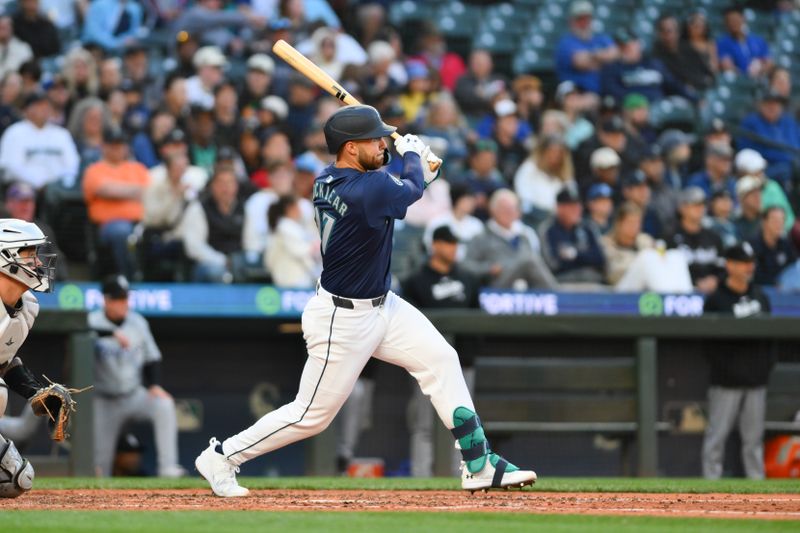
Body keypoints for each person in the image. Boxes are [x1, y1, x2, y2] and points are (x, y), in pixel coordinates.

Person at [194, 104, 536, 496]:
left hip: (382, 304)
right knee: (311, 416)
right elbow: (404, 194)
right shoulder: (366, 189)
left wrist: (416, 167)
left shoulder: (328, 178)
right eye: (373, 138)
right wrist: (414, 161)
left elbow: (399, 186)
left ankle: (478, 462)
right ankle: (223, 456)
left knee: (442, 359)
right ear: (350, 149)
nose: (380, 142)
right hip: (343, 318)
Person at [401, 225, 480, 477]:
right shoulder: (415, 281)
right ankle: (420, 478)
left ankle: (461, 477)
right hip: (427, 366)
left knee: (462, 424)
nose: (452, 248)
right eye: (448, 243)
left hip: (461, 364)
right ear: (435, 245)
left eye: (455, 243)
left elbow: (479, 320)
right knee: (424, 424)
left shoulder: (468, 278)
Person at [89, 274, 184, 478]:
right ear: (106, 300)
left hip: (133, 395)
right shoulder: (92, 320)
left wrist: (154, 385)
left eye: (125, 298)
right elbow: (81, 332)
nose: (124, 303)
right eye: (118, 299)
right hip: (104, 399)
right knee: (99, 466)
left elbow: (152, 357)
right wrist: (110, 334)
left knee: (163, 405)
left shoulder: (137, 322)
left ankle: (168, 468)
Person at [702, 242, 774, 480]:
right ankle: (710, 485)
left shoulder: (760, 296)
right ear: (730, 265)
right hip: (726, 381)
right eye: (743, 262)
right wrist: (728, 370)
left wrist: (764, 369)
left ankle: (757, 485)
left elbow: (772, 338)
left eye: (751, 262)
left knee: (753, 440)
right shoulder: (716, 299)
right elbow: (708, 345)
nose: (748, 267)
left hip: (755, 380)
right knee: (717, 436)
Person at [0, 219, 61, 497]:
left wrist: (35, 392)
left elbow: (4, 361)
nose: (37, 262)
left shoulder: (27, 309)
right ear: (5, 255)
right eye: (29, 253)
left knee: (16, 479)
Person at [82, 128, 150, 279]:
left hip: (142, 223)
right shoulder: (94, 170)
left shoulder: (138, 168)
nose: (117, 148)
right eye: (113, 144)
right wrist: (134, 190)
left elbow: (149, 191)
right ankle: (129, 278)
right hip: (108, 226)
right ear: (104, 146)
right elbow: (105, 189)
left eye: (120, 144)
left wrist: (118, 189)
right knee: (121, 231)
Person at [463, 188, 558, 290]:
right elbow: (465, 266)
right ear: (492, 210)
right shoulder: (481, 237)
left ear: (518, 212)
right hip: (496, 286)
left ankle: (556, 294)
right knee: (529, 260)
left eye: (512, 208)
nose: (508, 212)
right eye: (504, 208)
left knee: (531, 261)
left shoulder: (524, 236)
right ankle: (559, 296)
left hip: (525, 287)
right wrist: (489, 268)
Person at [0, 91, 79, 190]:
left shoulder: (62, 134)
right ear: (26, 109)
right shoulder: (14, 133)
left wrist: (59, 184)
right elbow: (11, 167)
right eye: (39, 105)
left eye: (47, 105)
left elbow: (72, 165)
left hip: (58, 190)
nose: (44, 109)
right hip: (25, 188)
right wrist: (38, 183)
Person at [182, 165, 246, 283]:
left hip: (239, 262)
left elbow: (251, 242)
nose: (225, 188)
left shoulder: (245, 208)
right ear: (213, 186)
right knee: (216, 272)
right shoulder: (199, 208)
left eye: (230, 183)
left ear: (236, 186)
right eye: (221, 183)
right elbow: (193, 247)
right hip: (208, 263)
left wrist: (242, 260)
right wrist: (223, 261)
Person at [540, 187, 606, 284]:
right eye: (570, 206)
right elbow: (553, 265)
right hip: (563, 283)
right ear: (559, 207)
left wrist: (575, 255)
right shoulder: (548, 230)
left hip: (592, 281)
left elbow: (600, 259)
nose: (576, 210)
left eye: (578, 205)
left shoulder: (588, 228)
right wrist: (585, 257)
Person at [667, 186, 724, 294]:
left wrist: (715, 280)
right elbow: (666, 270)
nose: (700, 208)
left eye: (702, 204)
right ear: (682, 208)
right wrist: (695, 282)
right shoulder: (670, 237)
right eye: (694, 204)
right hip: (681, 293)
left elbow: (723, 268)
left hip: (713, 294)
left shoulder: (714, 237)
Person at [555, 0, 617, 95]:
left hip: (605, 93)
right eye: (580, 19)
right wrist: (603, 59)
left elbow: (615, 54)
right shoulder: (566, 43)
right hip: (578, 93)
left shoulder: (601, 38)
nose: (584, 23)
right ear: (571, 21)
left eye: (587, 18)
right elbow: (581, 62)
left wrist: (592, 56)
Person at [264, 194, 321, 288]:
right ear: (289, 208)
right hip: (291, 279)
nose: (300, 210)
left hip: (298, 278)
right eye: (298, 206)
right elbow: (300, 251)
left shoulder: (292, 226)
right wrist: (317, 246)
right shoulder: (285, 227)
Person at [716, 5, 772, 78]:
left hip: (759, 78)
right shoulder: (723, 43)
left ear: (743, 18)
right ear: (726, 23)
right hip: (739, 82)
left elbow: (769, 62)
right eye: (730, 21)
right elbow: (727, 65)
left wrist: (760, 68)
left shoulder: (758, 40)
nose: (733, 23)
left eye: (736, 19)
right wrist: (747, 75)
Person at [749, 206, 797, 287]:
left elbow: (793, 267)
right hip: (763, 290)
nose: (779, 224)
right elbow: (755, 276)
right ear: (764, 222)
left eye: (782, 220)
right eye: (775, 220)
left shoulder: (785, 244)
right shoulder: (753, 245)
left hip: (786, 290)